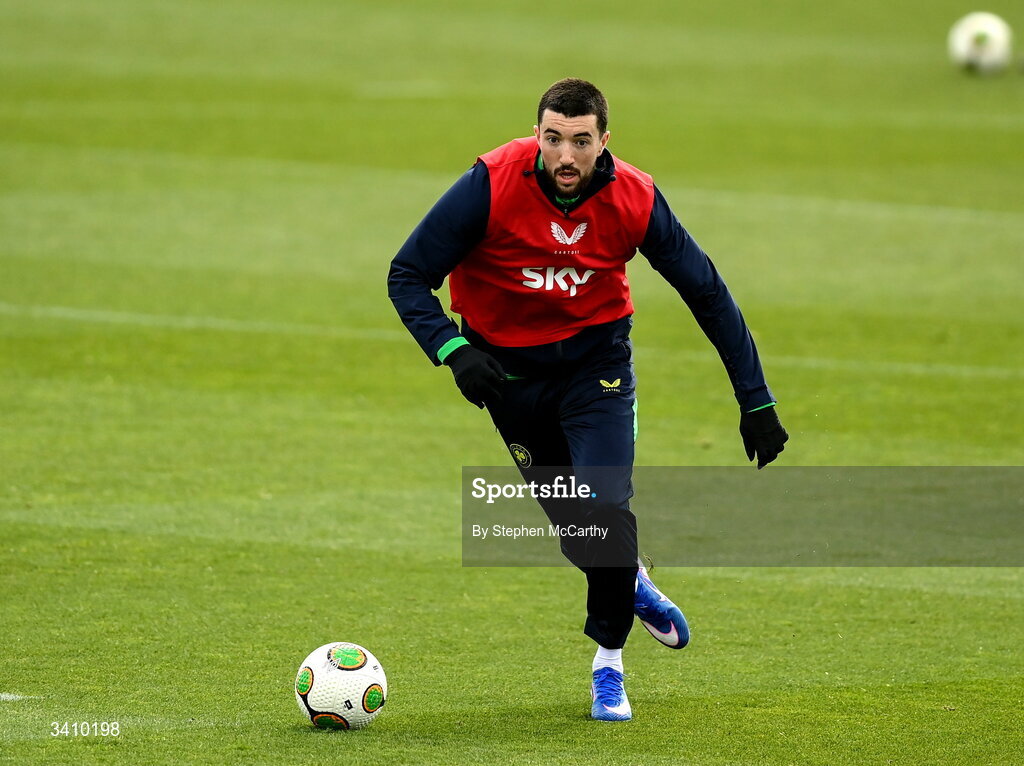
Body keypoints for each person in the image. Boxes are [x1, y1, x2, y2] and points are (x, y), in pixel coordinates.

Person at [388, 78, 789, 722]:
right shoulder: (489, 184)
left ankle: (608, 665)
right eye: (553, 139)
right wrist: (453, 351)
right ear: (537, 136)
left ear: (605, 141)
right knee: (582, 537)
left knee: (606, 508)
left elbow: (707, 293)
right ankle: (630, 581)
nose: (566, 156)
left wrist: (756, 400)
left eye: (581, 141)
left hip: (596, 367)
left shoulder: (635, 198)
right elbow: (406, 274)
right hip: (509, 379)